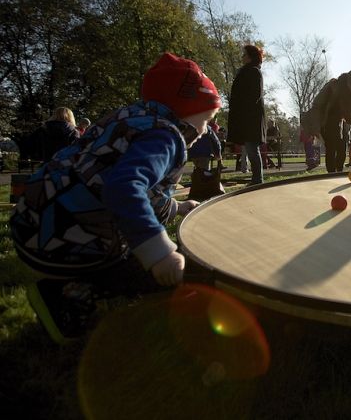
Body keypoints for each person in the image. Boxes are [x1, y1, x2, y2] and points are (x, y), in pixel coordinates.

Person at [9, 53, 221, 341]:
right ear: (186, 109)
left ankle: (70, 282)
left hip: (32, 224)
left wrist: (177, 206)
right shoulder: (166, 136)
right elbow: (124, 188)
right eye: (206, 119)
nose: (205, 130)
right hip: (66, 239)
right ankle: (66, 295)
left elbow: (133, 184)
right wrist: (158, 254)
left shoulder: (128, 119)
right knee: (173, 276)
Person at [305, 69, 351, 173]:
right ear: (349, 84)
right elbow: (316, 106)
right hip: (327, 119)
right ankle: (331, 174)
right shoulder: (333, 86)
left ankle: (339, 173)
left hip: (342, 121)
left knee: (342, 150)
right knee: (331, 148)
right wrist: (316, 128)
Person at [227, 45, 268, 185]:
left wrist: (241, 107)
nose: (242, 57)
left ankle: (258, 179)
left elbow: (254, 95)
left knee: (252, 148)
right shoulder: (245, 71)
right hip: (246, 117)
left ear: (250, 57)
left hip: (252, 117)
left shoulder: (254, 72)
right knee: (250, 148)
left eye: (244, 54)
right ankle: (257, 178)